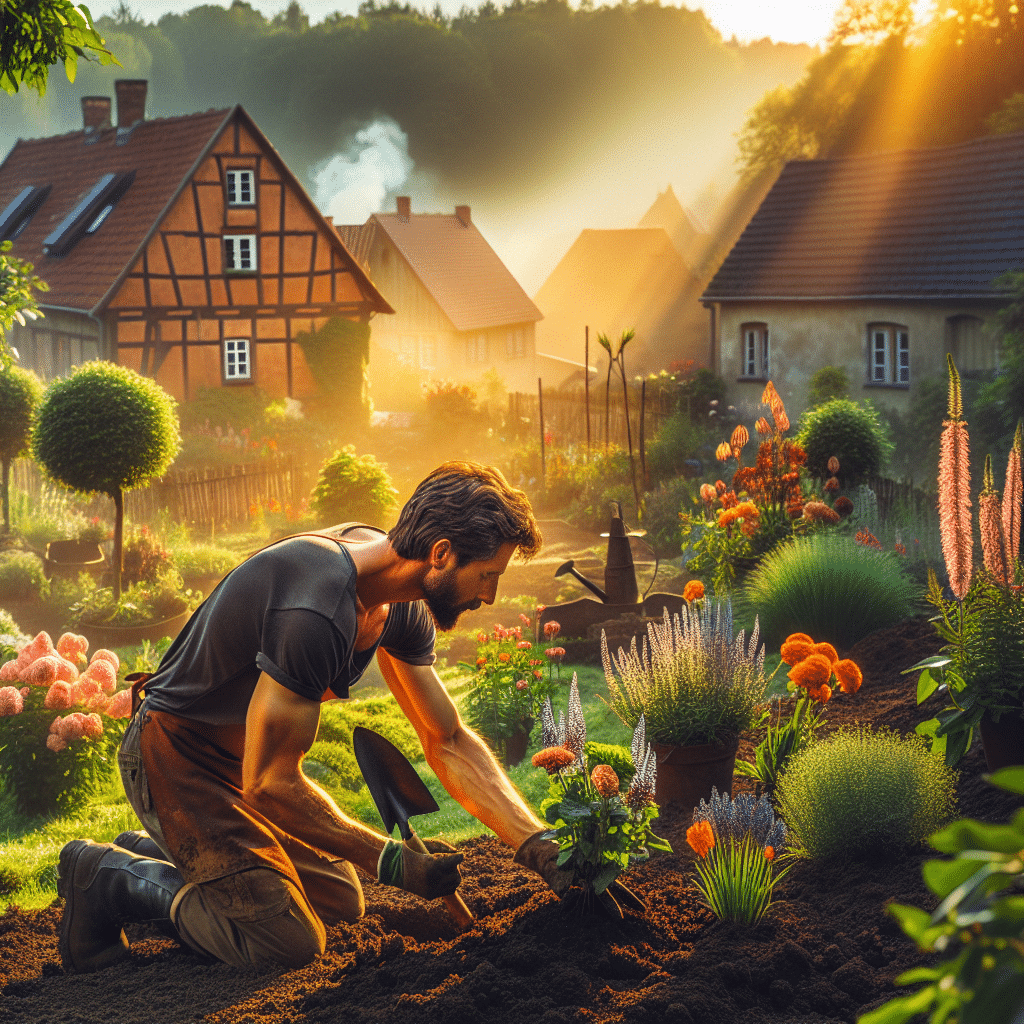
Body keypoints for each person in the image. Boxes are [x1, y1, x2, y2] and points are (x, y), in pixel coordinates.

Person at [57, 461, 572, 974]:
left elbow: (449, 738)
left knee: (342, 903)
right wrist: (390, 861)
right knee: (288, 943)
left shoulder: (397, 598)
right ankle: (107, 876)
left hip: (246, 762)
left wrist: (537, 842)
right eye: (488, 576)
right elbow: (268, 784)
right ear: (441, 554)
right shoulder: (316, 609)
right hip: (177, 760)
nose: (490, 596)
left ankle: (164, 852)